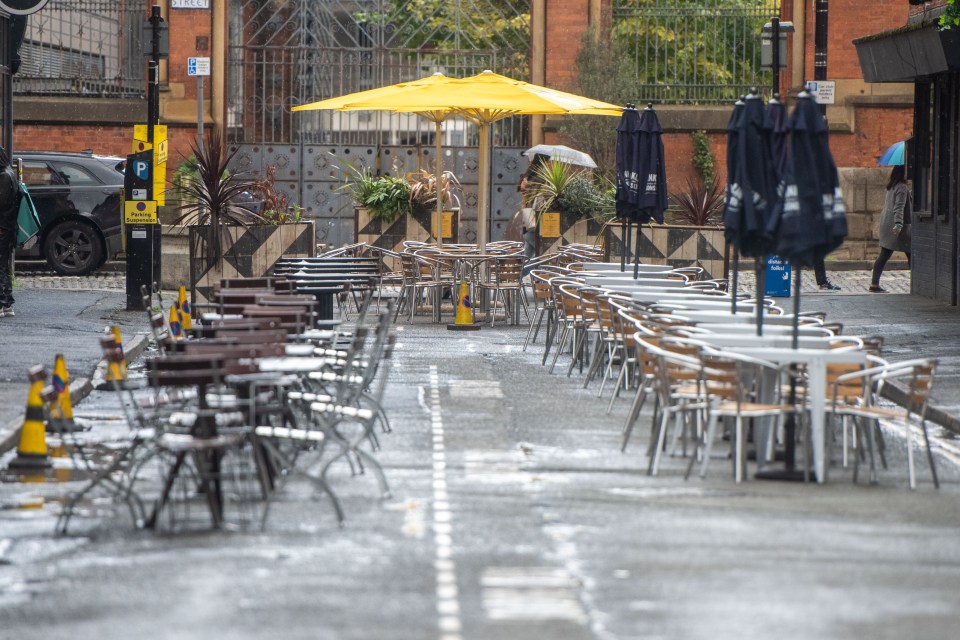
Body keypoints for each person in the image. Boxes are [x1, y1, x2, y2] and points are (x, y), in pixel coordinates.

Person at [870, 164, 911, 293]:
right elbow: (898, 207)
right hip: (898, 227)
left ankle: (874, 283)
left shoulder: (891, 186)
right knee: (911, 254)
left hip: (886, 224)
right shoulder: (902, 187)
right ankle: (919, 285)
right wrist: (898, 224)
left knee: (885, 254)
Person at [0, 146, 19, 317]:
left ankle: (3, 302)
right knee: (3, 265)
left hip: (2, 227)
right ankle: (7, 302)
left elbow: (2, 204)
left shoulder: (4, 177)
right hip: (7, 227)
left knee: (1, 265)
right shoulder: (9, 173)